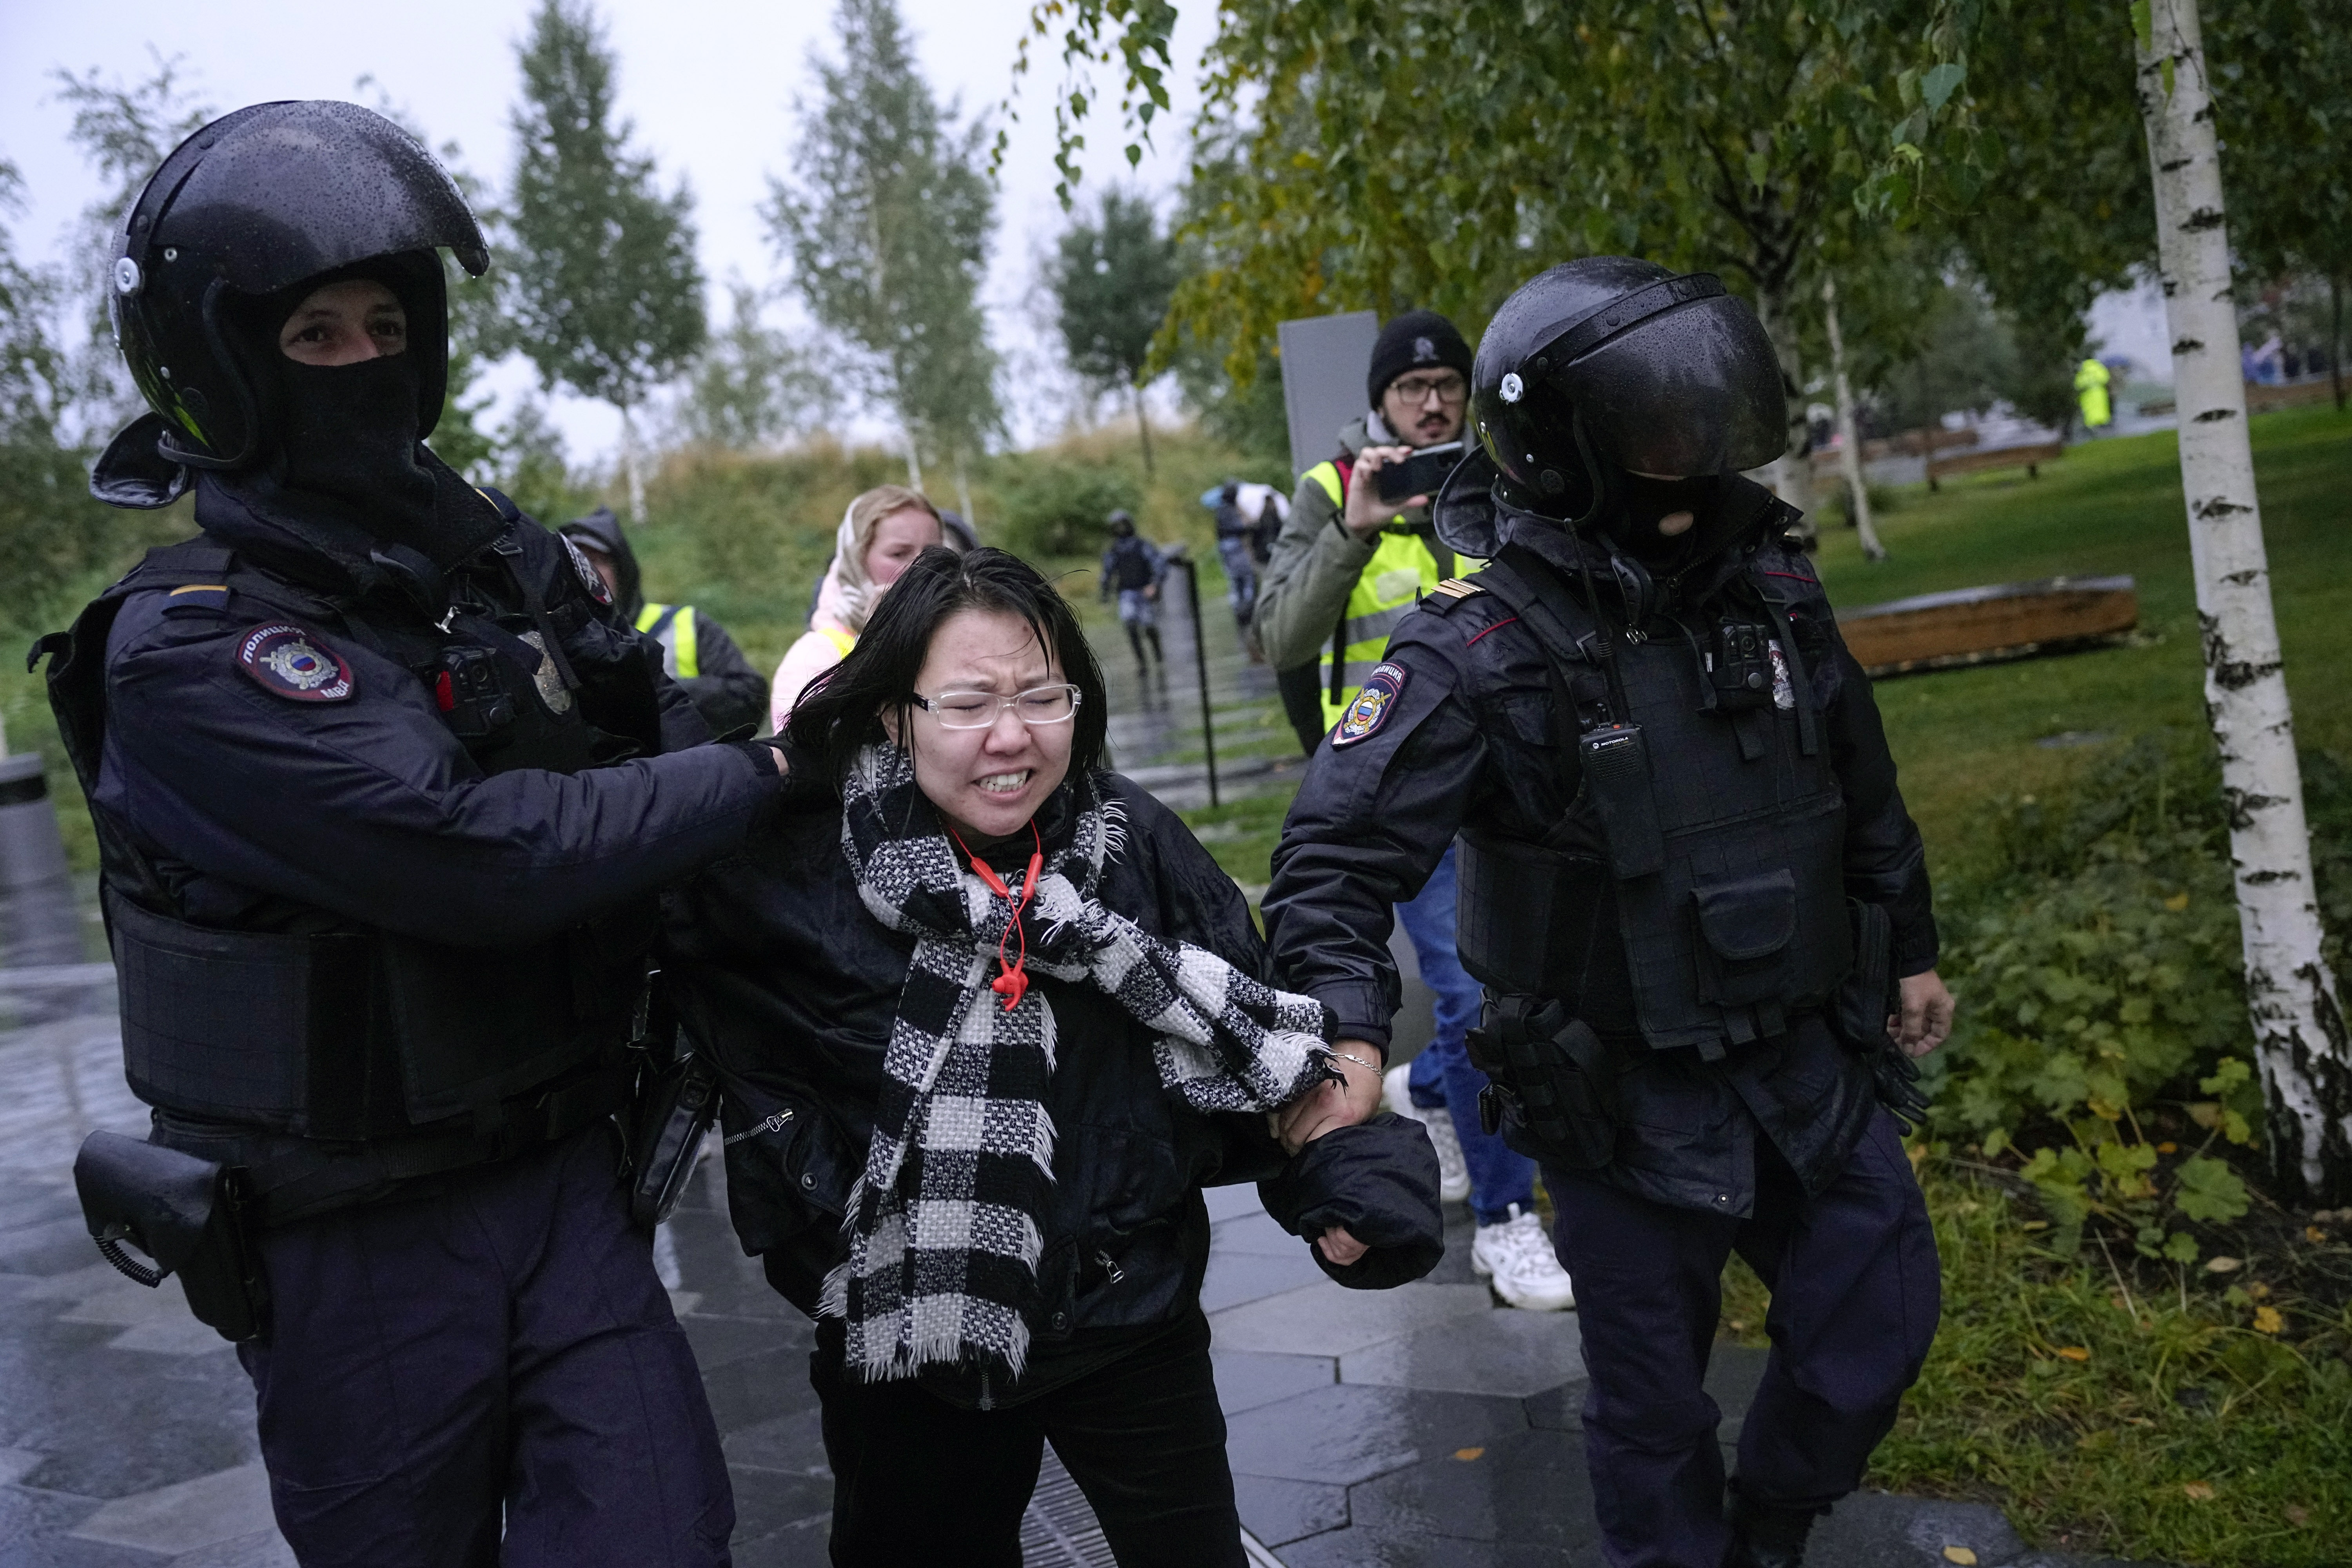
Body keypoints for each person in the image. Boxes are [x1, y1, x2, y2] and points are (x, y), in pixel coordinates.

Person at [40, 102, 794, 1565]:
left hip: (562, 1175)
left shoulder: (470, 558)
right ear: (223, 362)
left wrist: (747, 728)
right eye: (316, 334)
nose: (364, 361)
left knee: (664, 1533)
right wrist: (764, 769)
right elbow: (476, 852)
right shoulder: (190, 649)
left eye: (388, 320)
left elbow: (652, 702)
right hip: (354, 1245)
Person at [1262, 256, 1956, 1568]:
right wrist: (1347, 1040)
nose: (1690, 452)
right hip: (1617, 1101)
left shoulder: (1772, 585)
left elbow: (1859, 780)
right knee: (1651, 1416)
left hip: (1806, 1059)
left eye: (1705, 420)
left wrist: (1907, 944)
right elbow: (1332, 859)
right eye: (1658, 428)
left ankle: (1768, 1527)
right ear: (1565, 445)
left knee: (1874, 1340)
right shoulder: (1477, 648)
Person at [660, 546, 1439, 1567]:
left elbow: (1259, 1043)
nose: (1013, 737)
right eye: (970, 703)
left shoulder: (1135, 842)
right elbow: (721, 1046)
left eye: (1043, 696)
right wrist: (819, 1239)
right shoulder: (791, 869)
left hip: (1132, 1319)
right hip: (909, 1354)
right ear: (894, 711)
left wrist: (1351, 1190)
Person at [1256, 308, 1575, 1312]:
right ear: (1380, 400)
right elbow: (1280, 635)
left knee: (1507, 996)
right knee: (1479, 998)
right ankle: (1505, 1220)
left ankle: (1434, 1094)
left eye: (1447, 384)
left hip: (1511, 793)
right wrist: (1353, 534)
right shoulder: (1327, 492)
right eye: (1411, 386)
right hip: (1393, 792)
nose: (1432, 400)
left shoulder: (1505, 474)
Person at [559, 505, 768, 737]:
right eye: (578, 562)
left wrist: (659, 693)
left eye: (598, 561)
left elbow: (750, 696)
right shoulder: (549, 639)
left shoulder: (686, 623)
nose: (588, 571)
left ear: (623, 570)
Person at [768, 484, 945, 726]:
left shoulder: (956, 633)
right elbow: (806, 756)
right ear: (857, 561)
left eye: (933, 552)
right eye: (899, 554)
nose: (921, 566)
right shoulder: (814, 655)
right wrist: (880, 642)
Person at [1097, 507, 1165, 672]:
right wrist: (1105, 596)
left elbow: (1159, 564)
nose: (1121, 529)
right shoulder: (1114, 550)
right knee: (1130, 624)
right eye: (1117, 526)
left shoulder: (1142, 545)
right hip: (1126, 593)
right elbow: (1107, 573)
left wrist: (1154, 584)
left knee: (1149, 626)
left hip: (1144, 591)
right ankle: (1141, 662)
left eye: (1123, 525)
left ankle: (1158, 656)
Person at [1209, 479, 1259, 643]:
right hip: (1234, 549)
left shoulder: (1224, 510)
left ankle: (1243, 612)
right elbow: (1235, 528)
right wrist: (1250, 527)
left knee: (1239, 583)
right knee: (1245, 581)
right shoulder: (1227, 511)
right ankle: (1245, 614)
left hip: (1230, 550)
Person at [2074, 357, 2114, 434]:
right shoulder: (2099, 367)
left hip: (2087, 394)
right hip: (2099, 392)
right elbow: (2105, 378)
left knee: (2089, 410)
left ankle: (2092, 427)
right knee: (2102, 408)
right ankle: (2103, 426)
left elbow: (2078, 384)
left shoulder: (2083, 370)